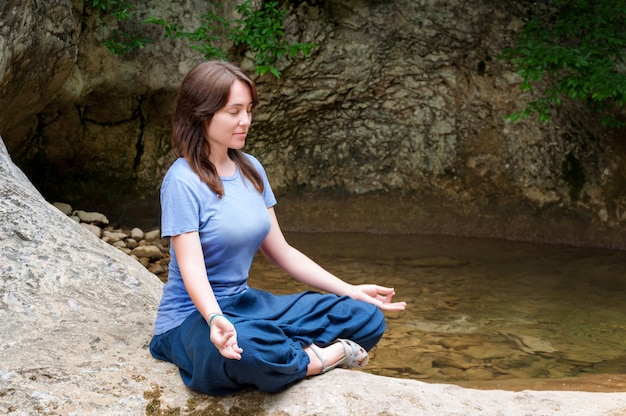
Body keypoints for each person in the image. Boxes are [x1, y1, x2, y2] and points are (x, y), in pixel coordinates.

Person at [149, 60, 407, 396]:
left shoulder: (250, 169)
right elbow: (191, 267)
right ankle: (326, 357)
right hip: (191, 319)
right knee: (251, 347)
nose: (246, 121)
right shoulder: (182, 180)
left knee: (365, 315)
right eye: (234, 111)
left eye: (249, 110)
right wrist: (214, 319)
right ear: (202, 113)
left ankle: (288, 356)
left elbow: (282, 252)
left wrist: (349, 289)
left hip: (245, 305)